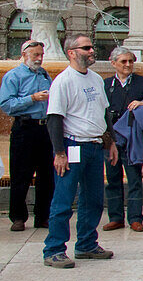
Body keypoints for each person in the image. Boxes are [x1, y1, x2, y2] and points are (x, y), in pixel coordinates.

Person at [42, 34, 117, 268]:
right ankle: (54, 249)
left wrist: (111, 141)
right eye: (86, 48)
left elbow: (104, 113)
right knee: (64, 200)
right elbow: (54, 119)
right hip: (73, 146)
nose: (92, 51)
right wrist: (59, 153)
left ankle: (86, 244)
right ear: (72, 52)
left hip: (95, 146)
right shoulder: (63, 81)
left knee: (94, 199)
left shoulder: (95, 78)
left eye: (92, 47)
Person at [102, 46, 143, 232]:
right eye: (123, 62)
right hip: (111, 139)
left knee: (134, 179)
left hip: (133, 140)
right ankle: (116, 217)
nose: (128, 65)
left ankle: (135, 218)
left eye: (130, 61)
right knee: (112, 179)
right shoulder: (105, 84)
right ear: (114, 64)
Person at [0, 39, 53, 231]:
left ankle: (43, 216)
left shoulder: (44, 75)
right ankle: (18, 217)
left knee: (47, 175)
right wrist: (32, 98)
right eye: (35, 55)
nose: (39, 59)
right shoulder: (13, 76)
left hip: (44, 129)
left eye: (41, 55)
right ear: (24, 55)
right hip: (25, 128)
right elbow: (6, 104)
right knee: (21, 174)